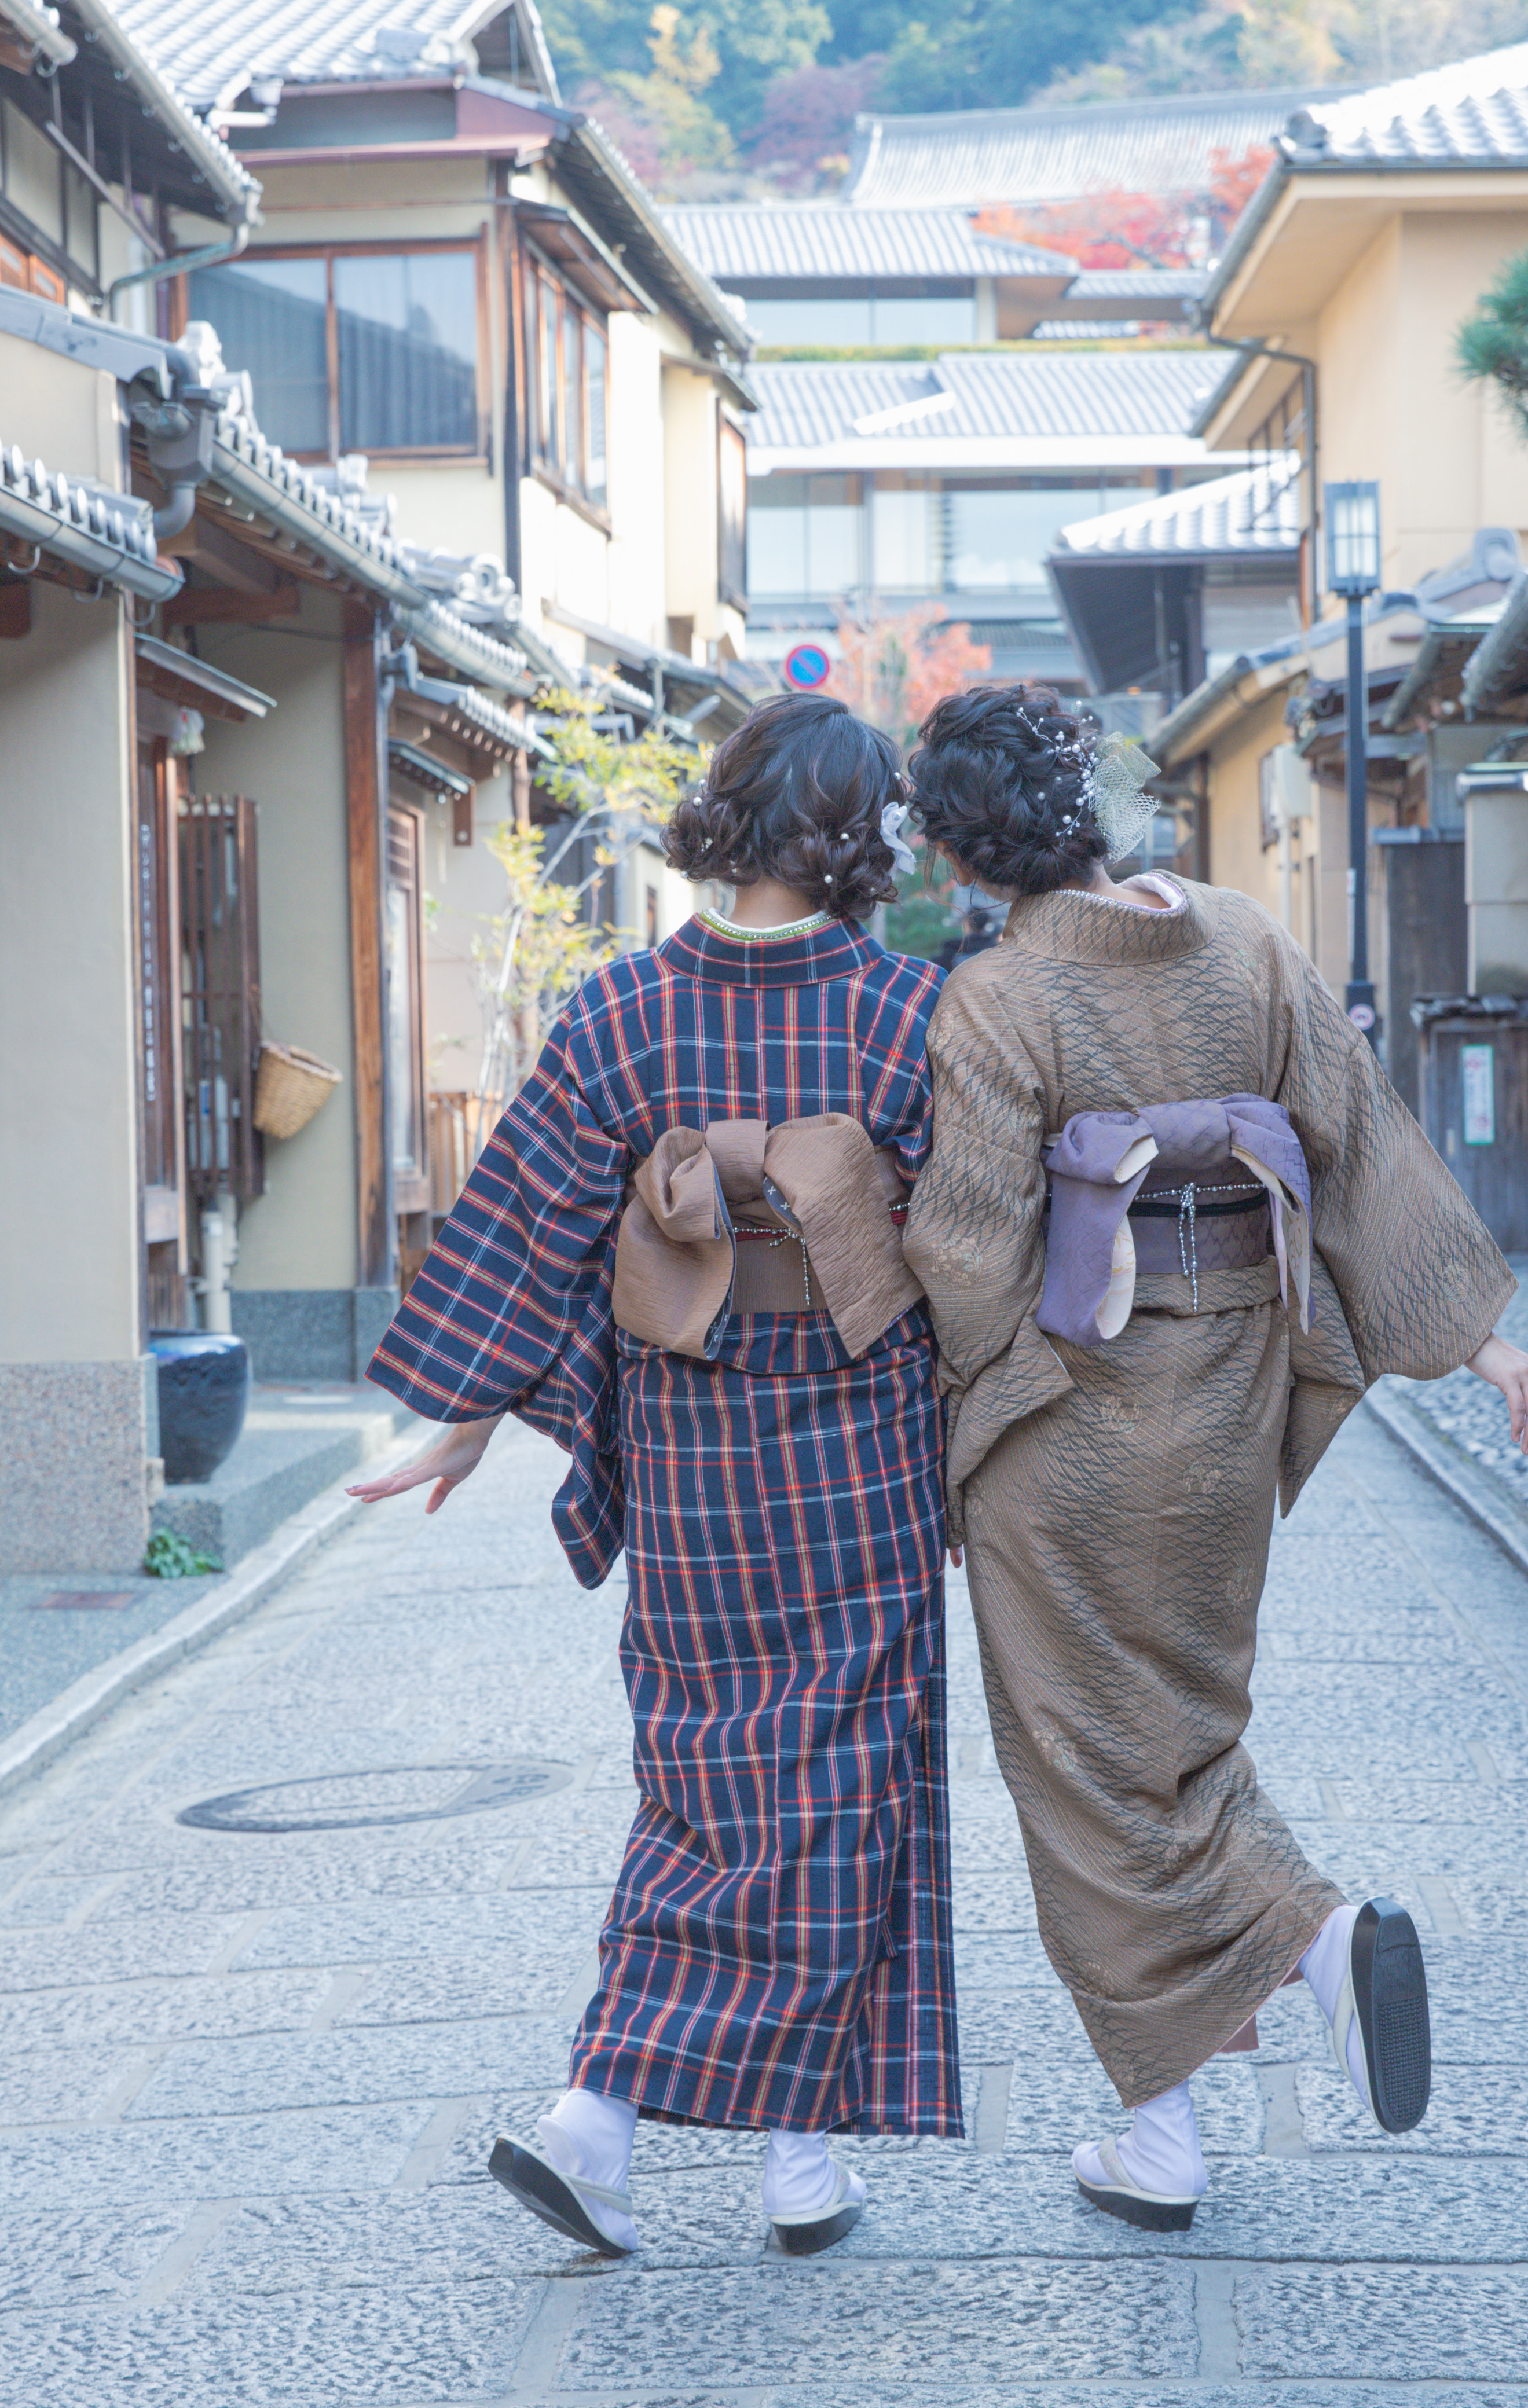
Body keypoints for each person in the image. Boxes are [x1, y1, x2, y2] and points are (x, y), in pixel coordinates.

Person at [897, 682, 1528, 2233]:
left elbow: (965, 1253)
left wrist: (962, 1413)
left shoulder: (1001, 999)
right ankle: (1193, 2094)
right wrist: (1481, 1334)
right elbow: (1360, 1135)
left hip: (1072, 1414)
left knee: (1082, 1760)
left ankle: (1282, 1978)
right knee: (1185, 1730)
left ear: (961, 843)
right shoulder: (1240, 935)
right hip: (1223, 1392)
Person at [351, 692, 962, 2261]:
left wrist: (471, 1411)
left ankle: (639, 2130)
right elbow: (974, 1247)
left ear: (732, 815)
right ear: (859, 836)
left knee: (700, 1779)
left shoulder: (620, 1015)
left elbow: (531, 1233)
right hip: (856, 1442)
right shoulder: (907, 1016)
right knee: (845, 1782)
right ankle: (760, 2155)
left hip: (693, 1449)